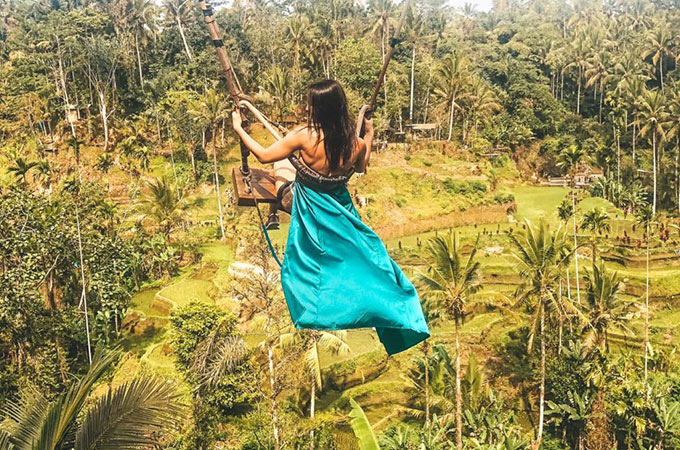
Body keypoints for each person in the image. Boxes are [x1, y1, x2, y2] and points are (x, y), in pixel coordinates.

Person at [232, 79, 429, 355]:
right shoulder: (354, 143)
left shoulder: (304, 136)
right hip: (338, 208)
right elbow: (362, 166)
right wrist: (368, 133)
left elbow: (264, 156)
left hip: (308, 205)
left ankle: (273, 211)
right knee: (367, 261)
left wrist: (239, 128)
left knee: (280, 165)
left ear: (318, 109)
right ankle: (390, 307)